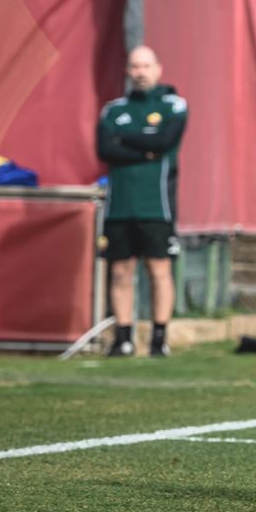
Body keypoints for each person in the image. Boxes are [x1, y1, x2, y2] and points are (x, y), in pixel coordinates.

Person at [96, 45, 188, 357]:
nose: (140, 72)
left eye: (146, 66)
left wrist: (126, 138)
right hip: (120, 206)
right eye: (135, 67)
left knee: (159, 270)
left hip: (156, 206)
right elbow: (105, 150)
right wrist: (143, 147)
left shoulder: (172, 105)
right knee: (121, 270)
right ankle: (123, 338)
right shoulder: (113, 110)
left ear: (158, 69)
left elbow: (163, 141)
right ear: (128, 71)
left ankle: (159, 339)